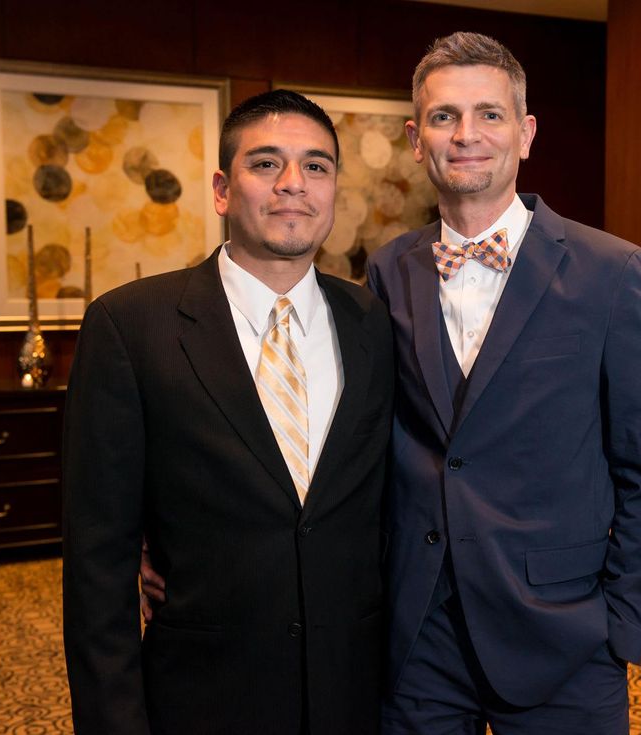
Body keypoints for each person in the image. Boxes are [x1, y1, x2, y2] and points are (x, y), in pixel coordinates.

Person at [364, 32, 641, 734]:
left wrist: (618, 628)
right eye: (445, 117)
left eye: (490, 114)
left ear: (526, 132)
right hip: (420, 640)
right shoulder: (388, 271)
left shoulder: (614, 271)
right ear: (418, 139)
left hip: (564, 637)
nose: (467, 134)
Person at [62, 89, 393, 735]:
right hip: (202, 698)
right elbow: (98, 563)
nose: (293, 184)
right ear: (221, 188)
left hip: (351, 692)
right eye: (266, 163)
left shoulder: (373, 323)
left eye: (316, 166)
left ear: (334, 190)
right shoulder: (131, 326)